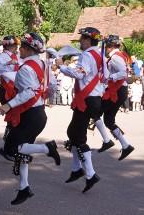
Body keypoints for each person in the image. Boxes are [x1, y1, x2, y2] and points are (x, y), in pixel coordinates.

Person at [0, 32, 60, 205]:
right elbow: (52, 85)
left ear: (26, 49)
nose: (19, 51)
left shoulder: (25, 68)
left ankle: (48, 149)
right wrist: (46, 94)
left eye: (21, 48)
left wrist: (7, 105)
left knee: (12, 147)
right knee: (23, 151)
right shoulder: (41, 64)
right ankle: (24, 187)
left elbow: (29, 92)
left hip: (30, 115)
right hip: (38, 113)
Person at [56, 27, 108, 193]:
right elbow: (104, 76)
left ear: (88, 40)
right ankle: (77, 169)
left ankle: (90, 174)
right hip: (93, 98)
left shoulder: (86, 55)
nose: (80, 41)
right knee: (73, 133)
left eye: (82, 39)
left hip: (87, 99)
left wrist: (61, 66)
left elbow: (79, 74)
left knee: (77, 136)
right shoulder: (100, 54)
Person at [92, 35, 135, 160]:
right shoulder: (120, 55)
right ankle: (126, 145)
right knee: (109, 120)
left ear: (110, 47)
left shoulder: (115, 57)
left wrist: (109, 77)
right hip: (119, 90)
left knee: (95, 114)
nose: (105, 48)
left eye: (106, 46)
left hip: (117, 90)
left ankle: (107, 141)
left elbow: (123, 73)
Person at [0, 35, 21, 161]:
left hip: (13, 90)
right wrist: (7, 62)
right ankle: (8, 147)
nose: (16, 47)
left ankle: (9, 145)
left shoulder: (16, 56)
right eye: (15, 45)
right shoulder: (3, 56)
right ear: (9, 45)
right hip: (6, 90)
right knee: (13, 117)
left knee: (15, 118)